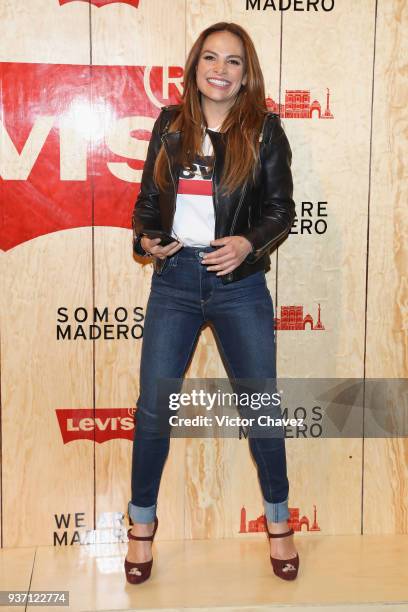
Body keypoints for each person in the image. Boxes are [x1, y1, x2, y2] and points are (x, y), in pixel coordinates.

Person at [124, 21, 299, 585]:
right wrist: (147, 238)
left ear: (247, 75)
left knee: (261, 409)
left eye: (233, 62)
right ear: (194, 66)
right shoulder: (169, 126)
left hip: (237, 284)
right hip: (173, 280)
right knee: (154, 408)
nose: (220, 70)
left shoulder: (266, 131)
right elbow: (148, 201)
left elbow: (280, 209)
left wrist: (247, 243)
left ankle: (279, 523)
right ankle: (141, 527)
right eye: (210, 58)